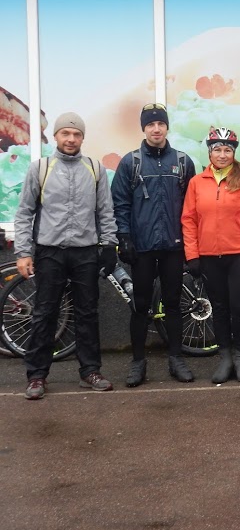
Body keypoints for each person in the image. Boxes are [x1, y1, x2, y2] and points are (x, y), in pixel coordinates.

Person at [14, 112, 118, 399]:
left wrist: (109, 244)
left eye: (76, 134)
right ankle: (37, 376)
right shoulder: (40, 168)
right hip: (50, 252)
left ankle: (90, 371)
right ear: (56, 136)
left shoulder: (95, 169)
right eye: (65, 134)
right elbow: (24, 213)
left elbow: (105, 211)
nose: (71, 139)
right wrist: (23, 252)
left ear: (83, 138)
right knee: (45, 313)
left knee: (88, 313)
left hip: (85, 252)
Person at [110, 103, 197, 387]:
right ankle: (138, 363)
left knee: (172, 303)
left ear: (167, 127)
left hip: (173, 246)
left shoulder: (182, 162)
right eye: (150, 124)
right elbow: (120, 203)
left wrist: (190, 242)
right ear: (144, 128)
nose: (156, 129)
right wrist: (124, 237)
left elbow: (192, 206)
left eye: (160, 124)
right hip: (142, 248)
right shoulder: (130, 162)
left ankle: (176, 359)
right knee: (140, 306)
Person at [181, 127, 240, 384]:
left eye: (227, 150)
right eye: (217, 149)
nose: (222, 154)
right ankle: (225, 357)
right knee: (218, 309)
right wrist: (192, 255)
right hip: (209, 256)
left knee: (239, 308)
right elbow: (188, 220)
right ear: (209, 152)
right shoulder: (197, 182)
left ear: (234, 153)